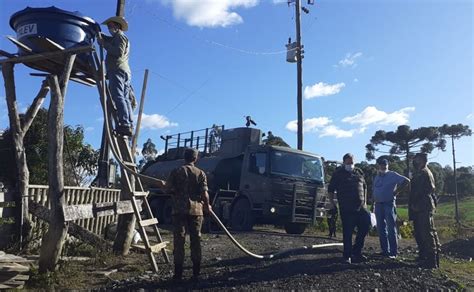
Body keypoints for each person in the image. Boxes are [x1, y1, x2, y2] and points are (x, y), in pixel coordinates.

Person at [165, 148, 212, 281]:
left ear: (184, 157)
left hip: (179, 211)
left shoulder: (176, 171)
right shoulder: (201, 173)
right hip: (196, 211)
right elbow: (205, 193)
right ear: (195, 159)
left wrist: (172, 190)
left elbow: (167, 189)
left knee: (179, 241)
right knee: (195, 240)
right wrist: (207, 205)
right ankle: (196, 273)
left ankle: (178, 273)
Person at [328, 153, 371, 264]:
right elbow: (331, 189)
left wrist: (365, 202)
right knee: (347, 232)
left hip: (361, 207)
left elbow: (365, 187)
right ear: (344, 162)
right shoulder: (338, 174)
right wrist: (332, 203)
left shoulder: (359, 172)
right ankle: (347, 256)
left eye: (352, 162)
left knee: (366, 226)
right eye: (348, 162)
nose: (350, 164)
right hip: (346, 208)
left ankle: (357, 251)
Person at [97, 16, 133, 136]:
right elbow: (108, 39)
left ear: (117, 27)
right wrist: (98, 33)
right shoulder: (116, 38)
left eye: (111, 26)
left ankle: (125, 123)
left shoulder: (121, 37)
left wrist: (103, 45)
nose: (109, 29)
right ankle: (128, 123)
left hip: (118, 70)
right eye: (108, 27)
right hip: (123, 71)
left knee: (118, 96)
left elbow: (118, 52)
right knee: (124, 98)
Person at [372, 158, 410, 258]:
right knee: (381, 228)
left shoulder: (392, 175)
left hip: (388, 203)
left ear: (387, 166)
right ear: (378, 166)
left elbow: (406, 181)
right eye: (381, 165)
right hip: (378, 204)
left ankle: (393, 252)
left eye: (385, 165)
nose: (383, 167)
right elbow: (375, 190)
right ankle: (385, 250)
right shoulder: (376, 177)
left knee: (391, 227)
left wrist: (397, 191)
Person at [408, 153, 441, 269]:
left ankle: (432, 260)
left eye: (416, 159)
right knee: (421, 231)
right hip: (421, 205)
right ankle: (426, 256)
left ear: (421, 160)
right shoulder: (421, 172)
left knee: (427, 232)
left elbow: (427, 189)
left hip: (423, 206)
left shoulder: (424, 172)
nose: (414, 161)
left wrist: (417, 202)